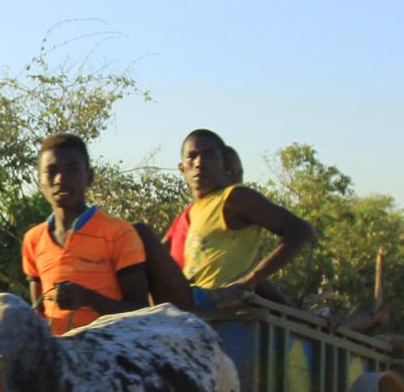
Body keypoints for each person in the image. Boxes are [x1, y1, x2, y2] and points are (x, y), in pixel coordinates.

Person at [22, 133, 159, 335]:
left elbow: (141, 311)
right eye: (51, 171)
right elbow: (39, 313)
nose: (60, 179)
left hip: (111, 347)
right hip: (57, 350)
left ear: (90, 176)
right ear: (39, 180)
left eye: (72, 170)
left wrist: (89, 299)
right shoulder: (33, 240)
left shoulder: (118, 233)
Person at [178, 128, 316, 299]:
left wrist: (250, 281)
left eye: (209, 155)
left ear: (225, 164)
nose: (199, 163)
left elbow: (301, 230)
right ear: (182, 168)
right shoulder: (194, 210)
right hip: (195, 303)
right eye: (191, 156)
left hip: (224, 306)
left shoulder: (234, 197)